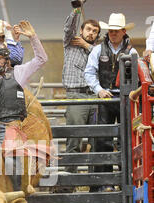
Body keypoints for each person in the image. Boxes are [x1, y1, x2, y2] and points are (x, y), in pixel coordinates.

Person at [0, 20, 47, 190]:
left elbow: (41, 59)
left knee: (10, 159)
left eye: (0, 58)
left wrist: (33, 37)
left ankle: (16, 191)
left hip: (14, 126)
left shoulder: (19, 73)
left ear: (7, 60)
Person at [84, 13, 138, 192]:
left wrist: (129, 92)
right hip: (105, 99)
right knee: (102, 140)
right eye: (111, 31)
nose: (113, 34)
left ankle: (124, 182)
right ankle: (105, 182)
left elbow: (136, 78)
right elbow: (89, 73)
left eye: (116, 31)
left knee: (126, 140)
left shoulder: (132, 51)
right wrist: (98, 89)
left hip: (124, 99)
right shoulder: (99, 49)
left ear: (123, 31)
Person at [62, 1, 100, 179]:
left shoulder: (98, 50)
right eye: (88, 30)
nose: (91, 33)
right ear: (82, 30)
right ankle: (69, 181)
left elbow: (102, 60)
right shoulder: (70, 42)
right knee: (74, 139)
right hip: (76, 95)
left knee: (97, 140)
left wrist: (87, 47)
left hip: (94, 97)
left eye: (94, 31)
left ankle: (95, 181)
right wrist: (77, 9)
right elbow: (69, 28)